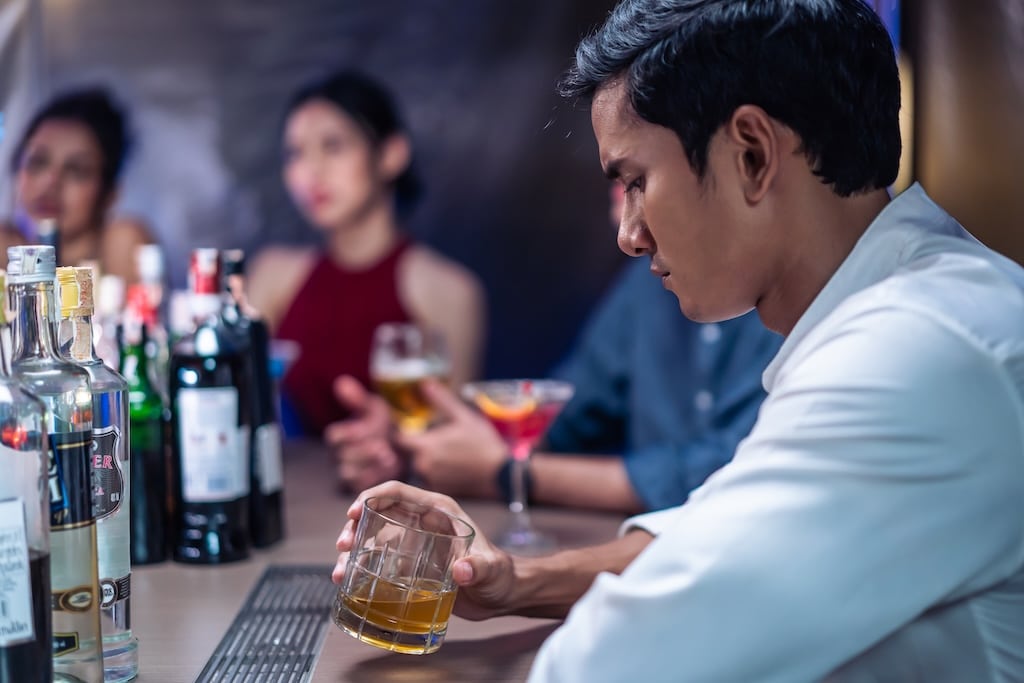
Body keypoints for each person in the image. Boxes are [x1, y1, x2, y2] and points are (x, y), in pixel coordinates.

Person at [333, 1, 1024, 680]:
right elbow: (717, 535)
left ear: (752, 154)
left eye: (637, 181)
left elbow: (607, 663)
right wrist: (517, 581)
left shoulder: (910, 356)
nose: (629, 234)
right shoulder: (912, 302)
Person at [330, 182, 782, 512]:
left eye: (638, 177)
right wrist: (416, 441)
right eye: (617, 183)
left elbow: (741, 471)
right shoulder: (644, 285)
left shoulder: (791, 293)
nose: (625, 234)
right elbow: (566, 404)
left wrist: (506, 474)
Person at [248, 70, 485, 437]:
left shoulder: (448, 291)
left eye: (333, 145)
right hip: (310, 488)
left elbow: (457, 440)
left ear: (392, 154)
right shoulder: (273, 277)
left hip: (407, 490)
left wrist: (393, 438)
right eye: (295, 154)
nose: (311, 172)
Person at [0, 86, 155, 282]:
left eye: (77, 170)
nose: (51, 183)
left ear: (109, 194)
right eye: (38, 162)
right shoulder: (4, 248)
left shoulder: (122, 242)